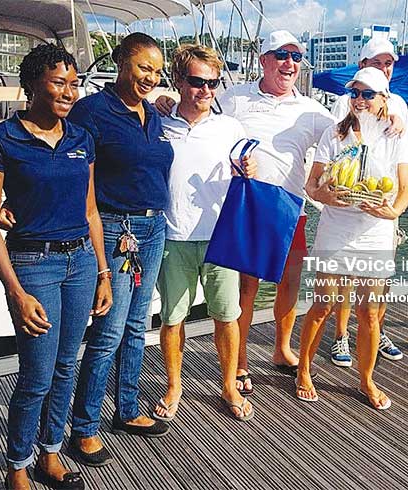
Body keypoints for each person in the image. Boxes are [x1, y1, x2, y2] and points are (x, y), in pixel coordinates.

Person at [157, 30, 334, 395]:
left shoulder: (314, 110)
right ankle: (239, 363)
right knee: (247, 286)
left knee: (290, 280)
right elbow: (195, 103)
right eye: (281, 56)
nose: (290, 64)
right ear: (263, 60)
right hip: (244, 203)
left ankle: (282, 349)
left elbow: (343, 137)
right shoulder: (233, 97)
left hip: (287, 205)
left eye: (296, 57)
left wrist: (388, 118)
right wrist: (163, 99)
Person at [0, 43, 112, 490]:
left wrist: (103, 272)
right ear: (31, 84)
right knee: (36, 374)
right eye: (59, 82)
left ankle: (50, 453)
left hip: (80, 263)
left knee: (66, 367)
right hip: (33, 264)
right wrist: (15, 291)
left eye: (74, 84)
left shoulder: (80, 138)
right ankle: (17, 464)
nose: (69, 92)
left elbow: (91, 211)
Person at [67, 33, 174, 467]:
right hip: (115, 228)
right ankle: (84, 426)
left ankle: (127, 409)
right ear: (121, 63)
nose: (151, 77)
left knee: (136, 325)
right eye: (143, 67)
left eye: (156, 69)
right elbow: (68, 161)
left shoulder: (151, 113)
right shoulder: (93, 110)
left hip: (152, 228)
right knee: (108, 331)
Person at [298, 68, 408, 410]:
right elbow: (312, 185)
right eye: (355, 93)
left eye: (368, 94)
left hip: (375, 231)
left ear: (383, 99)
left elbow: (405, 188)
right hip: (336, 228)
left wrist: (394, 213)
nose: (359, 100)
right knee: (322, 306)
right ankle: (303, 369)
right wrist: (326, 197)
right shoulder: (334, 134)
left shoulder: (396, 136)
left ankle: (366, 379)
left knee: (369, 312)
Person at [152, 44, 255, 423]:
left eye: (212, 83)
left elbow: (246, 171)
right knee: (172, 318)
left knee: (227, 315)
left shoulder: (230, 127)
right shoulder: (157, 121)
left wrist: (249, 169)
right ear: (179, 81)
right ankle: (174, 385)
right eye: (197, 82)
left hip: (220, 237)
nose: (206, 90)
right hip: (173, 236)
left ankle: (228, 384)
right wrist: (156, 100)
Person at [327, 37, 408, 367]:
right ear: (362, 65)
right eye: (377, 62)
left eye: (388, 62)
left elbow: (402, 159)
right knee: (345, 277)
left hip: (384, 206)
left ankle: (377, 328)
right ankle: (340, 336)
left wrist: (395, 208)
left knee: (380, 278)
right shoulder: (344, 102)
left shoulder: (399, 104)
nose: (383, 68)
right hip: (349, 205)